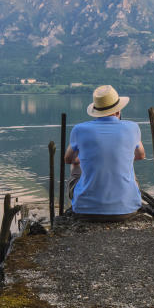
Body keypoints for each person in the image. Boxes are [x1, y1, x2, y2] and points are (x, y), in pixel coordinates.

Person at [64, 84, 146, 220]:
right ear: (118, 110)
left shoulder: (79, 129)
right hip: (127, 210)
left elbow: (68, 159)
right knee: (128, 163)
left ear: (96, 112)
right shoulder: (132, 127)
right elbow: (141, 155)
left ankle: (86, 198)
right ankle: (124, 198)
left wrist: (84, 160)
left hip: (86, 211)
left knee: (75, 165)